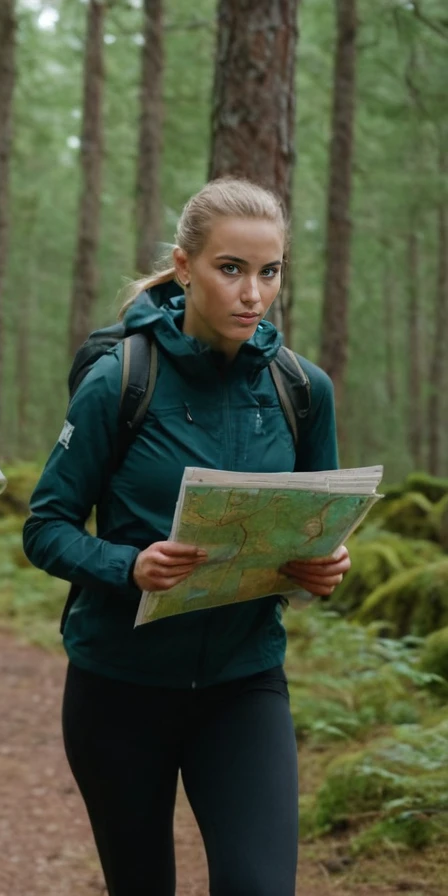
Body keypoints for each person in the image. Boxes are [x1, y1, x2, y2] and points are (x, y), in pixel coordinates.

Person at [22, 178, 352, 896]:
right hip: (120, 688)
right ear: (183, 266)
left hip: (244, 684)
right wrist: (127, 564)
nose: (252, 294)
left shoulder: (302, 390)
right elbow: (45, 528)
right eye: (230, 269)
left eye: (269, 272)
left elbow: (317, 527)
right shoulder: (120, 381)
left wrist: (324, 566)